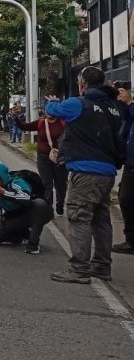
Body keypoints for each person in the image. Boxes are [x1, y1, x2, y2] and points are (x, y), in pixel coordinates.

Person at [46, 66, 126, 284]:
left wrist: (52, 100)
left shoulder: (78, 104)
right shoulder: (114, 107)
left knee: (79, 217)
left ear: (82, 84)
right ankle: (102, 265)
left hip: (84, 171)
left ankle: (79, 268)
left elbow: (52, 110)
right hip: (108, 172)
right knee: (101, 218)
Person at [0, 163, 53, 254]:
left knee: (40, 204)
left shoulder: (16, 182)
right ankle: (21, 235)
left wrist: (3, 192)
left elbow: (27, 199)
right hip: (14, 217)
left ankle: (33, 244)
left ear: (3, 177)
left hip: (36, 212)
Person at [11, 103, 68, 215]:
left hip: (59, 159)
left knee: (60, 185)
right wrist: (15, 117)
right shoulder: (40, 122)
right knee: (47, 184)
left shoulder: (63, 123)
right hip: (43, 158)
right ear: (44, 111)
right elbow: (23, 126)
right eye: (47, 110)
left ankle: (60, 203)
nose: (49, 113)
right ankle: (48, 209)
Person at [113, 81, 134, 255]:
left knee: (126, 199)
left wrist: (129, 102)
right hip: (130, 163)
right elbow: (126, 120)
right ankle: (130, 240)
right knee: (125, 199)